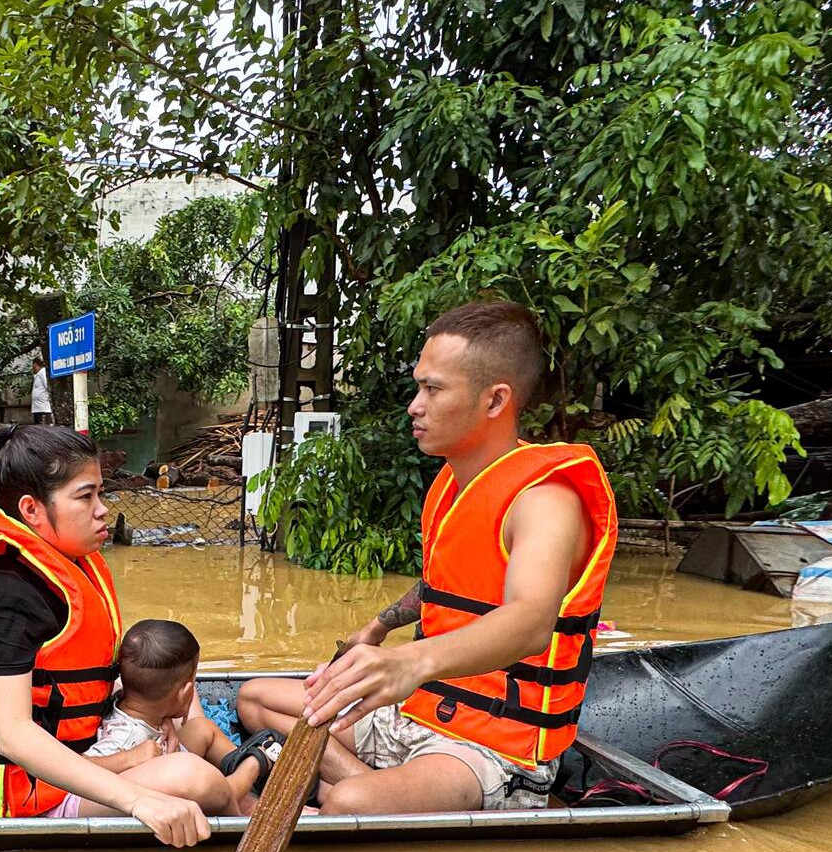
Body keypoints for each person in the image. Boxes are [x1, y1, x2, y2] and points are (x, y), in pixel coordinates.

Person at [237, 300, 618, 815]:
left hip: (489, 743)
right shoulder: (452, 483)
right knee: (256, 698)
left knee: (351, 805)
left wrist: (407, 662)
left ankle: (358, 793)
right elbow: (448, 586)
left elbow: (530, 623)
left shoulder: (545, 501)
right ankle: (376, 787)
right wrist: (377, 628)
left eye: (433, 389)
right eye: (419, 388)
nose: (415, 406)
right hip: (421, 707)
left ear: (495, 400)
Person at [0, 424, 232, 846]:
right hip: (38, 793)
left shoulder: (68, 560)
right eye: (85, 497)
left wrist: (160, 721)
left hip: (95, 746)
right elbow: (12, 735)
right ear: (32, 510)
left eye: (101, 493)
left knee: (188, 706)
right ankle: (257, 803)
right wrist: (139, 800)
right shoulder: (5, 590)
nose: (102, 510)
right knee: (195, 778)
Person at [86, 619, 276, 812]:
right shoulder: (124, 738)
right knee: (220, 791)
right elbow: (83, 766)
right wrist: (128, 758)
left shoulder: (127, 698)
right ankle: (252, 771)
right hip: (164, 792)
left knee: (202, 729)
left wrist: (164, 716)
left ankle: (244, 774)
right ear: (185, 693)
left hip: (170, 761)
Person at [30, 356, 53, 424]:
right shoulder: (38, 374)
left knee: (43, 426)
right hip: (37, 407)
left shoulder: (43, 372)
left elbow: (47, 386)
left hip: (43, 407)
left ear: (35, 364)